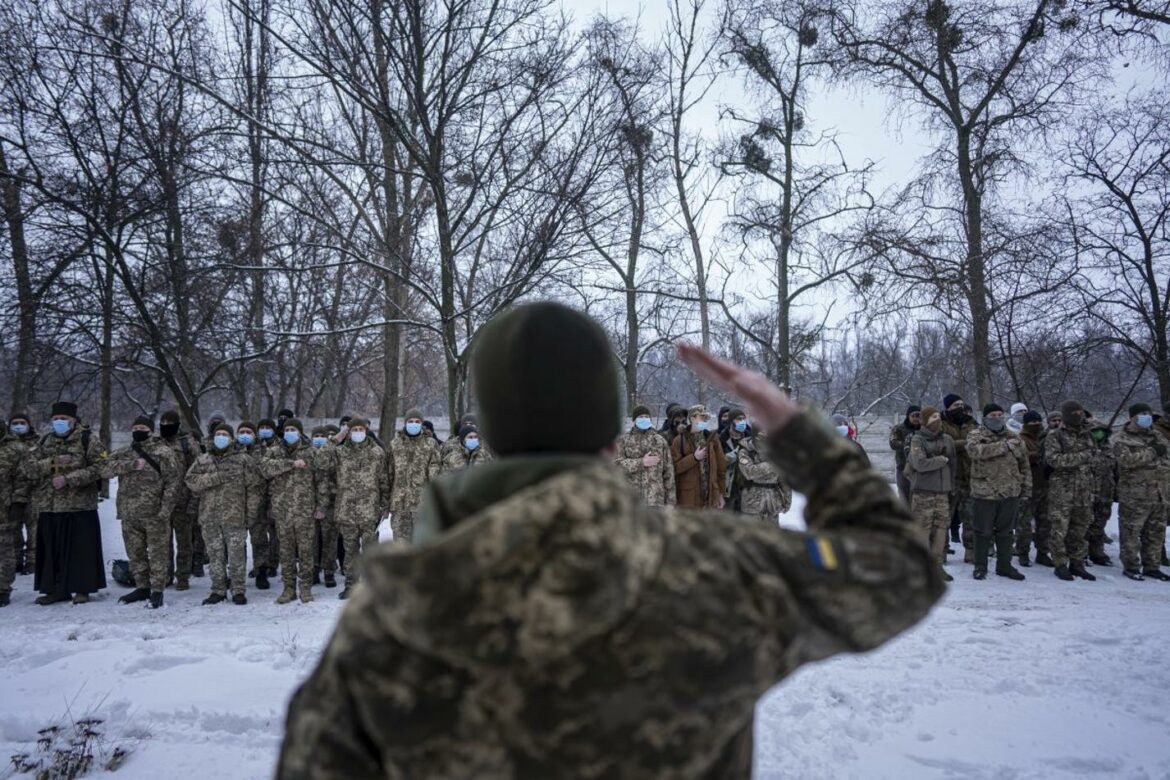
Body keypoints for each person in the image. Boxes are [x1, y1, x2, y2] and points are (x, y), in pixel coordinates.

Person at [276, 302, 944, 778]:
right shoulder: (721, 568)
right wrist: (797, 432)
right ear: (608, 434)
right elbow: (904, 566)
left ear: (493, 432)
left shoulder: (390, 614)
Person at [22, 402, 108, 605]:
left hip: (79, 506)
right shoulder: (44, 441)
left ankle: (82, 589)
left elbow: (101, 467)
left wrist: (70, 479)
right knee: (53, 551)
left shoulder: (88, 440)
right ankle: (56, 589)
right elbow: (28, 468)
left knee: (80, 550)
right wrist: (54, 463)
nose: (59, 422)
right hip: (50, 506)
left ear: (74, 420)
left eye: (64, 419)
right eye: (55, 419)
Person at [185, 422, 264, 605]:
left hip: (235, 517)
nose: (221, 437)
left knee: (237, 556)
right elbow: (190, 481)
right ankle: (218, 590)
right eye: (218, 434)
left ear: (231, 438)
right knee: (215, 556)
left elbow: (255, 488)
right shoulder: (203, 460)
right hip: (209, 517)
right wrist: (214, 478)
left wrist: (250, 513)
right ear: (213, 438)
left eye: (225, 434)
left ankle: (238, 590)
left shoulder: (243, 459)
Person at [313, 416, 389, 599]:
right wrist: (335, 440)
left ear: (366, 430)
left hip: (370, 511)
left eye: (360, 430)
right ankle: (350, 585)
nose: (357, 433)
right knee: (350, 552)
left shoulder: (377, 452)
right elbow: (320, 462)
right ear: (348, 432)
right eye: (353, 430)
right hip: (346, 511)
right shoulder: (340, 452)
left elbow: (384, 480)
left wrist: (385, 505)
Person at [259, 419, 321, 604]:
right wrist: (291, 463)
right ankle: (288, 588)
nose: (290, 432)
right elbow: (265, 469)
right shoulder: (274, 451)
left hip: (305, 510)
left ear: (300, 432)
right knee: (285, 552)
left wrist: (320, 506)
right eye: (287, 429)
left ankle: (305, 588)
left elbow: (321, 481)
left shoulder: (311, 452)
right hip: (282, 510)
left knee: (305, 552)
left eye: (293, 429)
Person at [965, 404, 1029, 581]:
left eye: (1000, 414)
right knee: (982, 531)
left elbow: (1024, 464)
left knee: (1006, 532)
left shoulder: (1014, 437)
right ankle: (980, 566)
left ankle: (1004, 566)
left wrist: (1025, 486)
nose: (997, 417)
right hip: (985, 492)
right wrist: (1003, 447)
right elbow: (974, 451)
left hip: (1009, 492)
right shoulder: (976, 434)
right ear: (985, 418)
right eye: (993, 415)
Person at [1112, 403, 1170, 581]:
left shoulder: (1158, 437)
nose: (1148, 416)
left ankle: (1151, 566)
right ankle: (1131, 566)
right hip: (1134, 495)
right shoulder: (1121, 438)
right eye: (1143, 413)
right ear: (1132, 417)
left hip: (1159, 493)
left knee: (1155, 532)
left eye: (1149, 413)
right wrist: (1152, 452)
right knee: (1131, 532)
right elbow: (1126, 461)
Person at [1042, 401, 1098, 582]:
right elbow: (1054, 460)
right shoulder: (1055, 436)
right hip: (1063, 491)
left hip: (1084, 489)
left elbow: (1095, 457)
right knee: (1059, 529)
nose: (1078, 415)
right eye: (1074, 412)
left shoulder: (1088, 434)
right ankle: (1060, 564)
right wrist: (1083, 456)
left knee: (1080, 529)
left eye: (1080, 411)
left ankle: (1077, 563)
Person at [907, 406, 956, 582]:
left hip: (942, 492)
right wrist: (940, 460)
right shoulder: (917, 440)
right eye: (933, 416)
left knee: (941, 530)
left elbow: (953, 465)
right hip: (923, 492)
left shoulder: (948, 439)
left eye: (938, 416)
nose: (937, 419)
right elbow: (920, 463)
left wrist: (951, 486)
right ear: (926, 420)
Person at [158, 409, 202, 589]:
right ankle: (166, 574)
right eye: (163, 423)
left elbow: (197, 472)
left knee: (184, 541)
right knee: (163, 542)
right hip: (160, 502)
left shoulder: (188, 444)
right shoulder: (156, 444)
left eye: (169, 423)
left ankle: (183, 576)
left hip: (182, 501)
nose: (166, 427)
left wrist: (194, 500)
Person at [386, 409, 442, 545]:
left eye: (417, 422)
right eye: (410, 421)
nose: (414, 424)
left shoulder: (430, 444)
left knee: (422, 542)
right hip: (400, 504)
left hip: (422, 503)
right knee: (400, 543)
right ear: (405, 423)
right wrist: (386, 502)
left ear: (422, 424)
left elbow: (435, 470)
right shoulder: (395, 444)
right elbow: (389, 474)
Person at [725, 408, 791, 521]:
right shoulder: (745, 449)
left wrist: (787, 501)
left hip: (772, 502)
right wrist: (772, 464)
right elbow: (750, 472)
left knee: (772, 536)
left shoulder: (776, 450)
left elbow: (784, 479)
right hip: (752, 503)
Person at [236, 421, 273, 589]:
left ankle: (261, 571)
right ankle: (237, 574)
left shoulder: (264, 451)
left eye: (248, 432)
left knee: (259, 540)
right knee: (236, 541)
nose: (244, 434)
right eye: (241, 431)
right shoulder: (231, 451)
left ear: (254, 434)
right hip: (235, 504)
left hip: (259, 503)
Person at [614, 406, 675, 507]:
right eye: (641, 417)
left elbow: (669, 473)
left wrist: (670, 503)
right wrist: (641, 462)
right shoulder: (623, 440)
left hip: (656, 501)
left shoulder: (660, 441)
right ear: (634, 420)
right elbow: (616, 465)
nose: (644, 419)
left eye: (646, 417)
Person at [940, 394, 976, 559]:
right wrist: (966, 444)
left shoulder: (972, 423)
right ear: (947, 407)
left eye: (961, 404)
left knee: (970, 517)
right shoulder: (940, 424)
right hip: (948, 477)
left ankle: (971, 550)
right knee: (944, 517)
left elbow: (980, 442)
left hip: (969, 477)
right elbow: (942, 446)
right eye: (955, 405)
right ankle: (942, 550)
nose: (959, 408)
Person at [1015, 411, 1053, 567]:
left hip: (1046, 486)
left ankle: (1043, 552)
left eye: (1038, 421)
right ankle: (1023, 553)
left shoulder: (1047, 437)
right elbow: (1019, 457)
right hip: (1027, 488)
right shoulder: (1020, 439)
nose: (1036, 424)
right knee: (1024, 524)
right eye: (1032, 422)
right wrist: (1039, 455)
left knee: (1045, 523)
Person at [671, 404, 727, 509]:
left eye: (706, 418)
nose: (705, 421)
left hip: (710, 497)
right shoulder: (679, 441)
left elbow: (721, 469)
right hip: (688, 498)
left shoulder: (712, 439)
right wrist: (694, 458)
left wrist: (720, 494)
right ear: (692, 418)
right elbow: (674, 468)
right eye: (702, 417)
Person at [4, 412, 37, 576]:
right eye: (15, 423)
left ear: (29, 424)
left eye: (22, 422)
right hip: (11, 494)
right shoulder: (6, 444)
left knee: (34, 529)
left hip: (34, 493)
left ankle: (32, 560)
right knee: (13, 528)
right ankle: (16, 559)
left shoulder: (38, 443)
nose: (18, 425)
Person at [309, 426, 339, 588]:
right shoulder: (307, 454)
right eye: (316, 435)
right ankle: (313, 569)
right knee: (312, 540)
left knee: (330, 540)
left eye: (323, 436)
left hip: (330, 504)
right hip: (310, 503)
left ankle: (329, 571)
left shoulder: (334, 454)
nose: (319, 438)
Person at [1086, 418, 1116, 566]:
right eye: (1095, 431)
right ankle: (1081, 551)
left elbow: (1115, 469)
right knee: (1084, 523)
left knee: (1100, 523)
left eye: (1101, 431)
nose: (1099, 433)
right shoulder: (1084, 447)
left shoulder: (1109, 448)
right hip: (1088, 491)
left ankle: (1097, 551)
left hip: (1105, 492)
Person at [889, 405, 921, 504]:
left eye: (918, 416)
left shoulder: (923, 429)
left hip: (920, 468)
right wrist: (908, 444)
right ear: (908, 416)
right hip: (903, 466)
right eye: (913, 415)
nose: (916, 418)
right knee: (904, 496)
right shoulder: (899, 428)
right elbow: (893, 443)